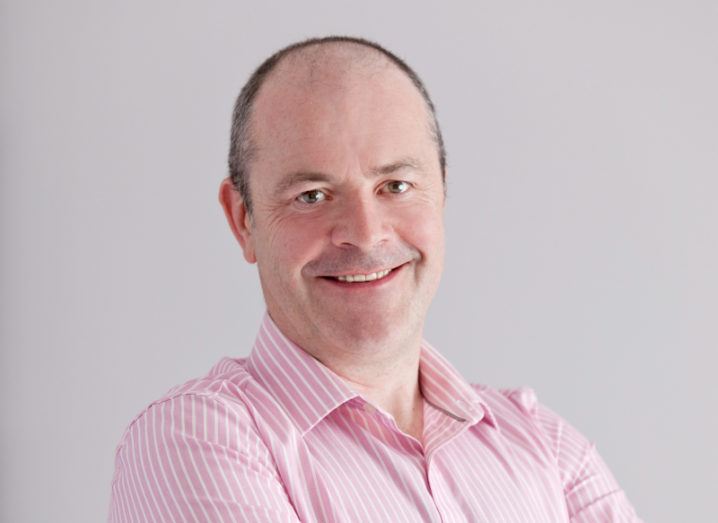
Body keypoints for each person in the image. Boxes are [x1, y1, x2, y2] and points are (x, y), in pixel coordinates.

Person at [109, 36, 641, 522]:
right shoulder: (193, 440)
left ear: (442, 192)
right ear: (243, 219)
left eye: (396, 185)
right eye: (311, 195)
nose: (365, 235)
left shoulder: (543, 443)